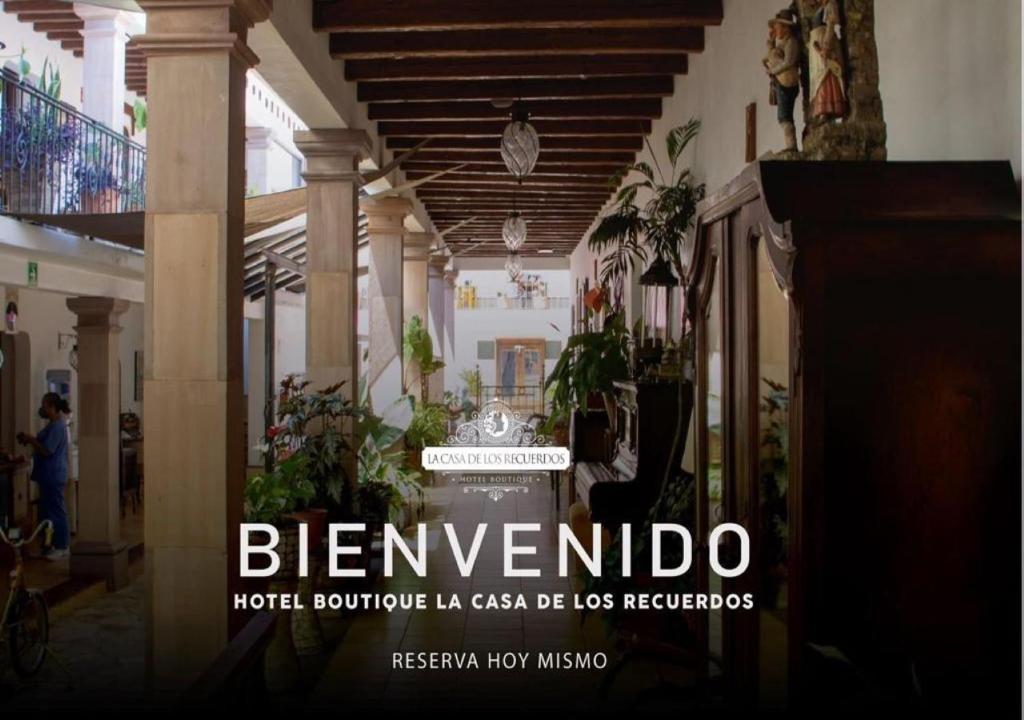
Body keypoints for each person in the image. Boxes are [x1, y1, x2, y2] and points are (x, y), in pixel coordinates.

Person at [17, 392, 70, 560]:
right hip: (47, 475)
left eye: (45, 406)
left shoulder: (58, 427)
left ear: (53, 408)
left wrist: (32, 441)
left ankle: (62, 546)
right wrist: (30, 439)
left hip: (53, 475)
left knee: (56, 512)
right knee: (46, 514)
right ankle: (48, 545)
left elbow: (47, 450)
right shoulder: (51, 425)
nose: (43, 409)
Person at [763, 9, 802, 151]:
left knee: (785, 116)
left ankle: (791, 146)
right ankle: (790, 145)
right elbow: (769, 58)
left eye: (777, 27)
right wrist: (771, 41)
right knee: (782, 116)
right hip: (781, 82)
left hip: (787, 83)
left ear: (786, 28)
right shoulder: (781, 44)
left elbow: (789, 62)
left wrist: (773, 70)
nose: (775, 30)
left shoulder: (791, 42)